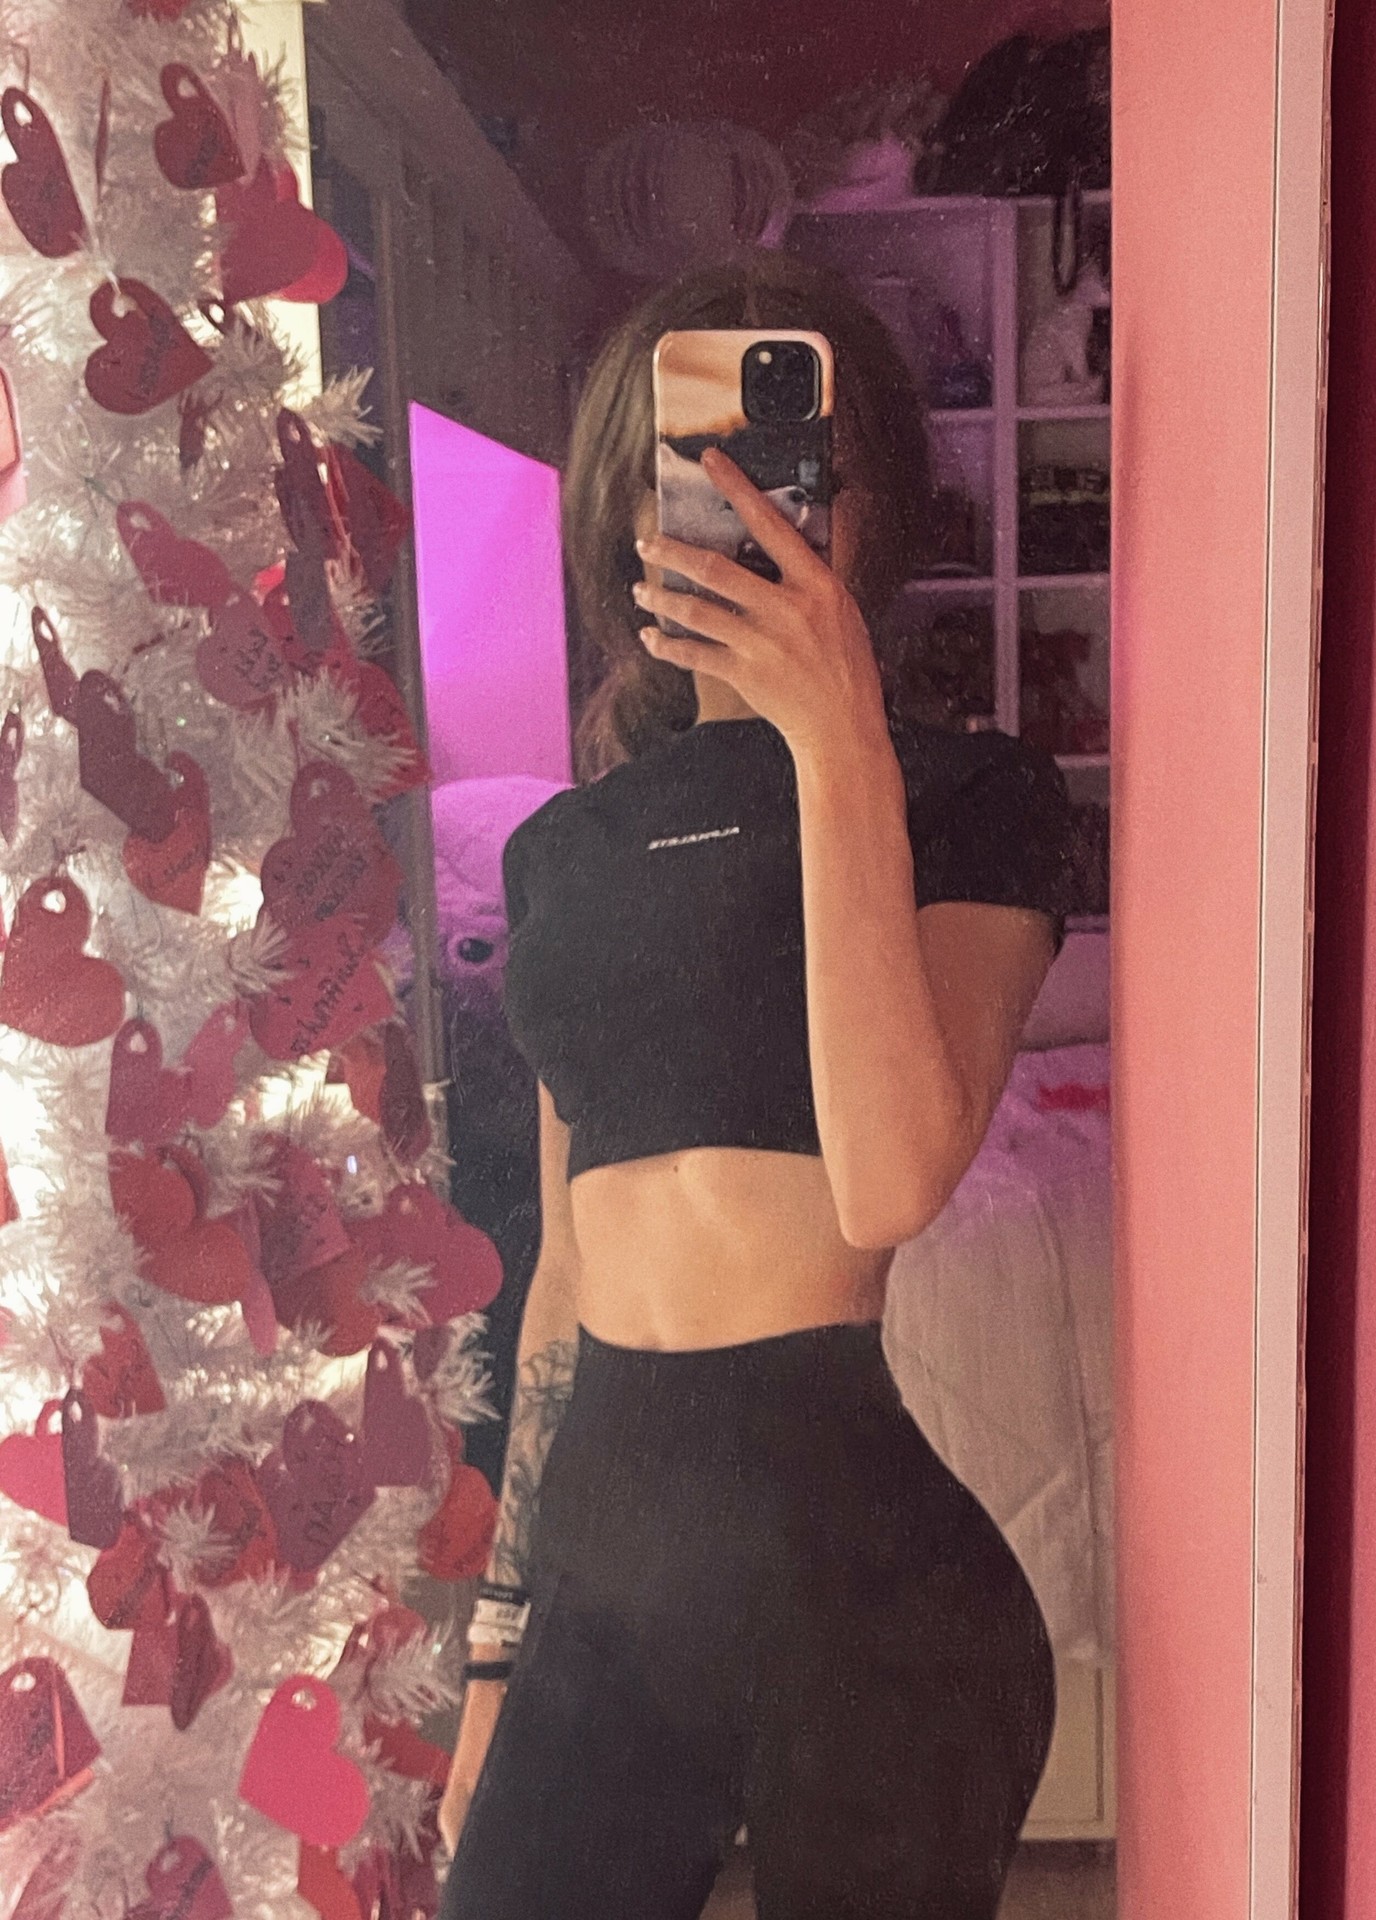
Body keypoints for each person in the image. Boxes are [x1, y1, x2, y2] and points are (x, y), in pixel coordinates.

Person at [437, 251, 1081, 1920]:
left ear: (871, 509)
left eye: (790, 470)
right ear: (621, 507)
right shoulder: (558, 851)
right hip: (602, 1596)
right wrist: (497, 1654)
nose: (741, 513)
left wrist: (836, 738)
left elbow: (891, 1178)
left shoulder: (971, 796)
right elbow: (563, 1276)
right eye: (692, 469)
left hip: (866, 1604)